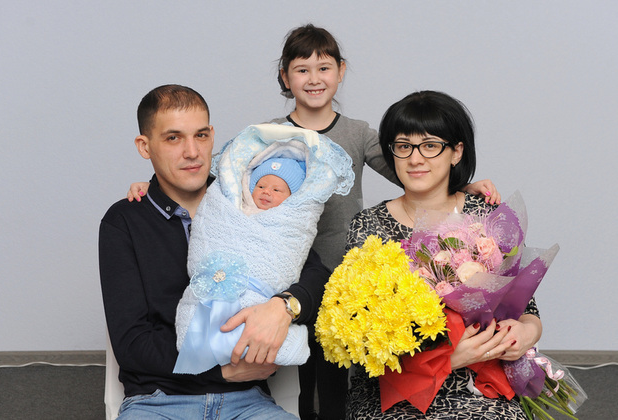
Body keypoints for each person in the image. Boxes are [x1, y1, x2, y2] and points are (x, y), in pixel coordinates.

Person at [126, 25, 501, 420]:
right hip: (287, 273)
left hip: (345, 271)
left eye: (324, 68)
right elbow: (228, 181)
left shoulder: (357, 133)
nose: (314, 78)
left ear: (340, 71)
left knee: (341, 369)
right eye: (301, 70)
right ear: (285, 77)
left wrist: (463, 184)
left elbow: (412, 167)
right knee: (301, 371)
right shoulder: (269, 134)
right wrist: (155, 186)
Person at [99, 84, 331, 419]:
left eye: (201, 135)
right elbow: (132, 343)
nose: (192, 152)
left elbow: (317, 276)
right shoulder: (124, 221)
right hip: (158, 402)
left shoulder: (249, 200)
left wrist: (284, 307)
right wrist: (220, 372)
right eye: (173, 138)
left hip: (248, 401)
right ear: (144, 146)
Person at [345, 90, 542, 419]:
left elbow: (527, 309)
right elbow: (361, 333)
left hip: (481, 380)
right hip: (397, 387)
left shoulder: (484, 214)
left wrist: (526, 334)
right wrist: (447, 359)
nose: (415, 159)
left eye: (430, 145)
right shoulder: (368, 226)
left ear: (456, 152)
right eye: (404, 146)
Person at [173, 123, 354, 376]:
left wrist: (284, 305)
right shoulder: (229, 203)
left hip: (262, 304)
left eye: (277, 189)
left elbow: (317, 276)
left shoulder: (287, 220)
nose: (266, 192)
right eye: (260, 186)